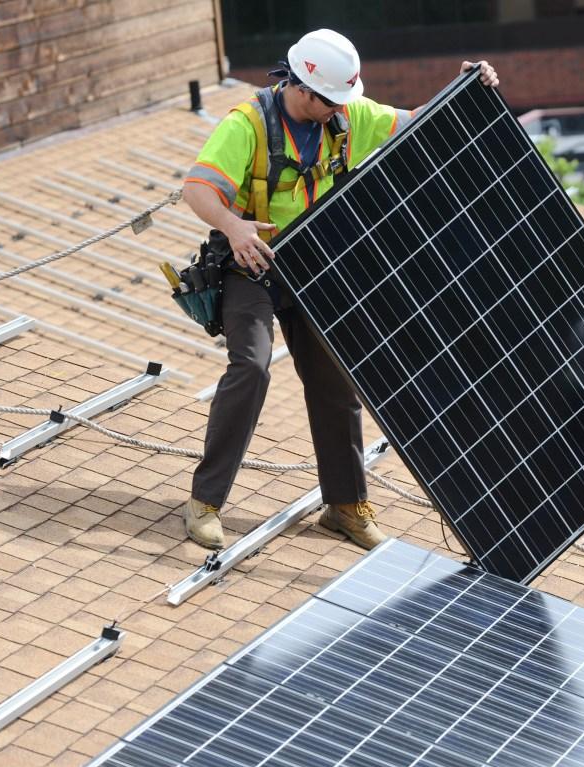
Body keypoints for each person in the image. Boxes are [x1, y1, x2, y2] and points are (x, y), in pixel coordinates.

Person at [181, 28, 499, 551]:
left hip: (313, 267)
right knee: (252, 366)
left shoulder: (349, 116)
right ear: (303, 88)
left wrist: (464, 84)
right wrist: (234, 227)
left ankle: (345, 506)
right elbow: (198, 188)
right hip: (251, 264)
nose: (337, 110)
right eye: (328, 101)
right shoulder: (248, 125)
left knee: (336, 381)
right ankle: (205, 503)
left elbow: (415, 120)